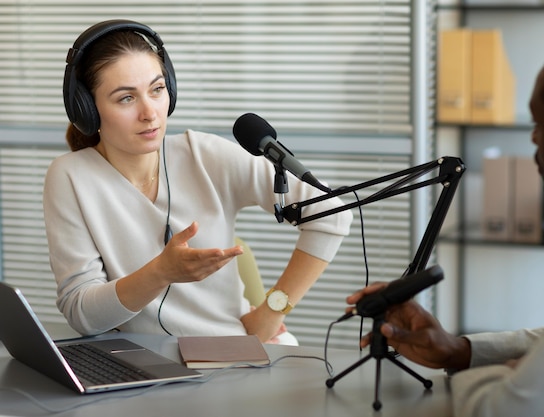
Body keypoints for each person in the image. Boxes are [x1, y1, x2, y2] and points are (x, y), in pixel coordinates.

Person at [346, 23, 544, 416]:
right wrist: (461, 351)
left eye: (540, 124)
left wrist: (509, 377)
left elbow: (508, 411)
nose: (533, 140)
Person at [43, 19, 352, 344]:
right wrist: (160, 272)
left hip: (231, 355)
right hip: (139, 370)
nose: (150, 113)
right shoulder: (70, 177)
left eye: (157, 89)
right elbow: (82, 315)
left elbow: (332, 212)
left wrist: (272, 311)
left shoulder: (204, 155)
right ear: (88, 110)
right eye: (126, 98)